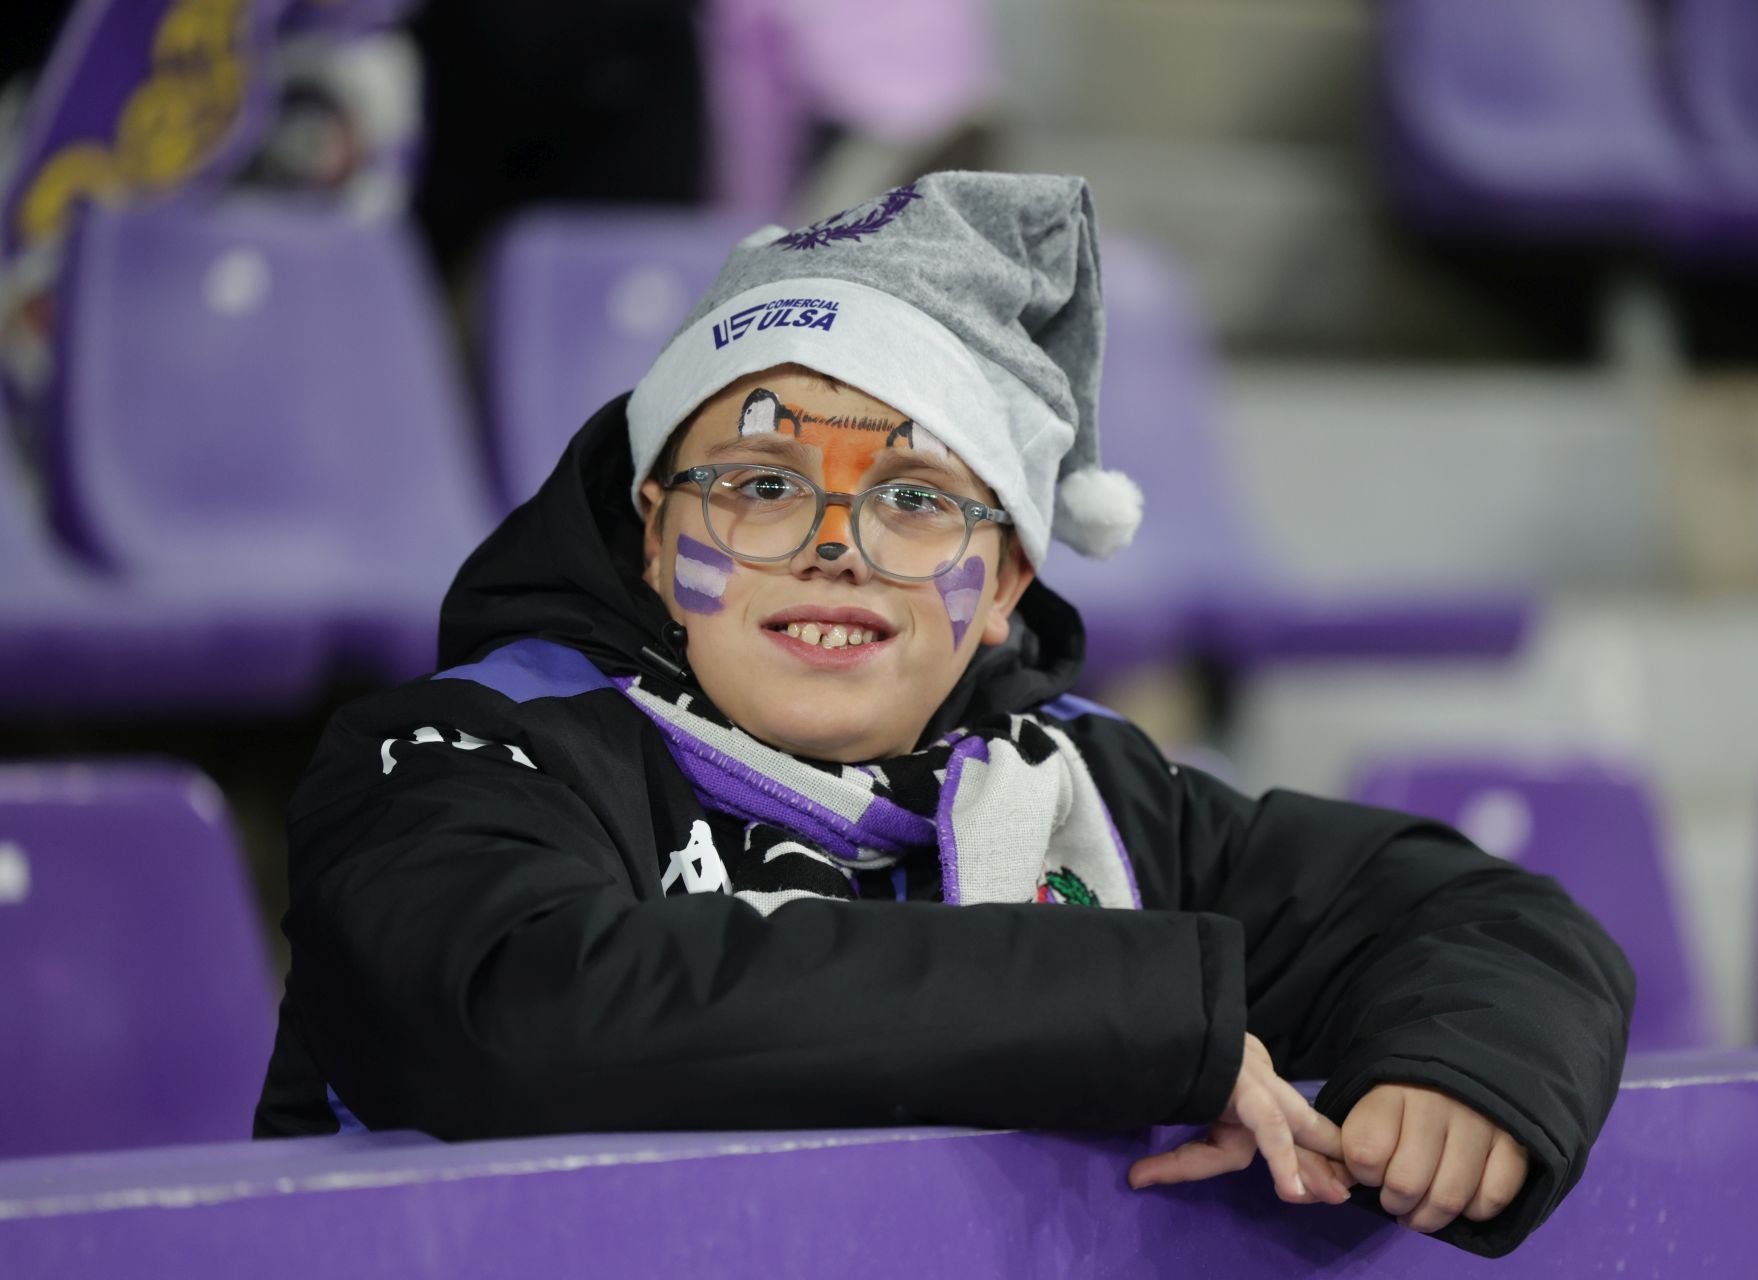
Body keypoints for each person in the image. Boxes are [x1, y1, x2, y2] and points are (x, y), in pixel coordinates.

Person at [255, 172, 1633, 1259]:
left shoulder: (1088, 793)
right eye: (760, 482)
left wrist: (1465, 1076)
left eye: (915, 498)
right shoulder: (449, 752)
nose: (836, 545)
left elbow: (1488, 922)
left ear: (1004, 585)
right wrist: (1136, 1018)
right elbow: (521, 1016)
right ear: (658, 538)